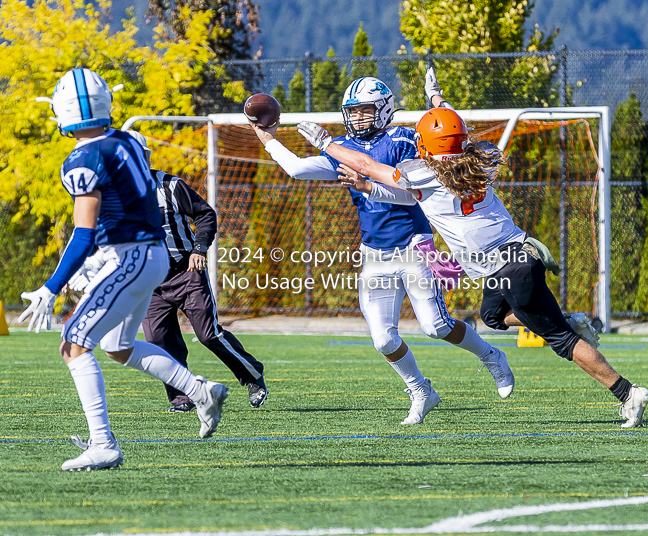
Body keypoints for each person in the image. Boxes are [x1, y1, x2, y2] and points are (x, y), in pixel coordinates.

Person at [297, 91, 648, 429]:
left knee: (561, 341)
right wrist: (438, 100)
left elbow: (365, 164)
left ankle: (627, 392)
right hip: (518, 253)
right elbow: (456, 131)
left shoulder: (422, 174)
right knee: (492, 317)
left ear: (426, 146)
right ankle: (567, 320)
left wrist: (326, 143)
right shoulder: (481, 158)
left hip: (506, 267)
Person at [248, 75, 514, 425]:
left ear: (385, 109)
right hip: (374, 252)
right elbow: (296, 169)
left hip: (415, 245)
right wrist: (264, 133)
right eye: (352, 112)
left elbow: (411, 193)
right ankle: (421, 390)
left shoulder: (405, 141)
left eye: (365, 110)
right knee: (383, 339)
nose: (358, 118)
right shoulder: (343, 146)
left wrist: (367, 185)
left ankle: (492, 356)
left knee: (436, 326)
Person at [22, 68, 228, 472]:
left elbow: (82, 234)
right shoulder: (128, 141)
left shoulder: (82, 159)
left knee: (73, 343)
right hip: (152, 255)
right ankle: (200, 391)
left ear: (62, 112)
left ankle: (103, 445)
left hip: (130, 257)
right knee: (118, 346)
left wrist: (50, 287)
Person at [70, 131, 267, 412]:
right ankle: (183, 397)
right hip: (148, 279)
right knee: (159, 339)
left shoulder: (170, 186)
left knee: (208, 334)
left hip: (185, 270)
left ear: (145, 158)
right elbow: (94, 233)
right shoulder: (111, 193)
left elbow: (204, 213)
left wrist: (199, 249)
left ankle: (252, 374)